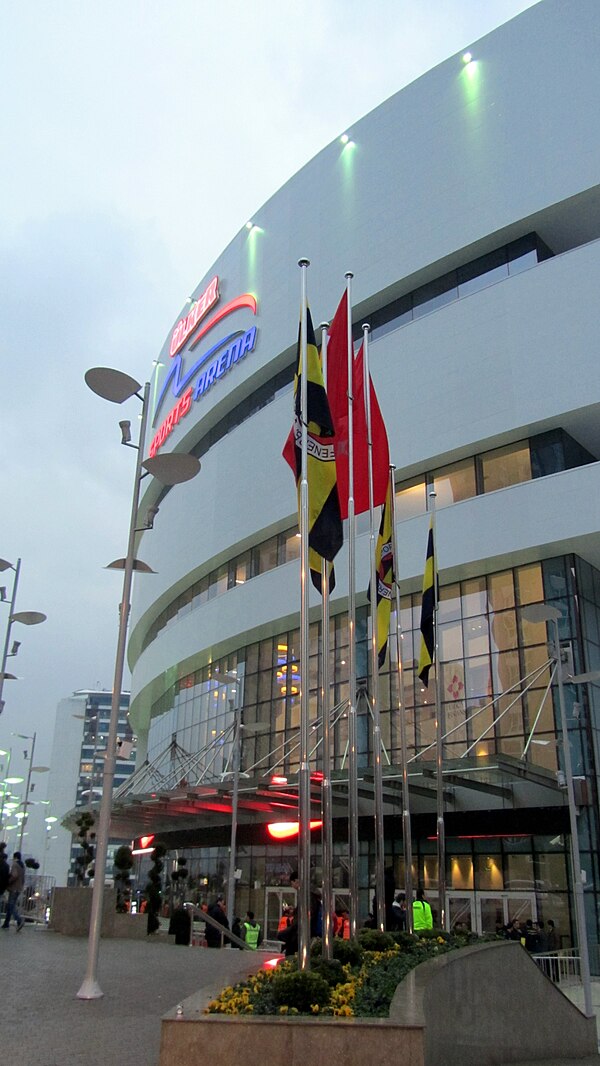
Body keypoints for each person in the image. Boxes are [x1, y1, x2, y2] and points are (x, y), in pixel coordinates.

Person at [2, 850, 25, 931]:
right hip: (19, 888)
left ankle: (19, 920)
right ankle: (6, 923)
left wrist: (8, 881)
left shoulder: (15, 865)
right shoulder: (22, 865)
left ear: (15, 857)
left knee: (11, 906)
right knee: (10, 905)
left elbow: (14, 875)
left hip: (14, 888)